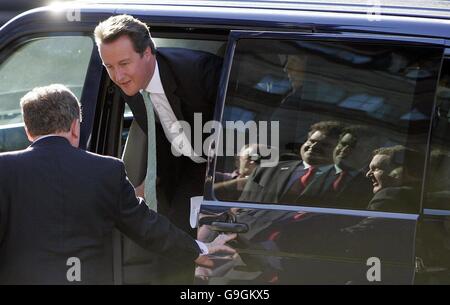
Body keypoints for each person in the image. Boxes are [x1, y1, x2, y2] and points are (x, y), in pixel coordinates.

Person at [0, 84, 235, 284]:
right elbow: (148, 227)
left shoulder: (5, 169)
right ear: (74, 126)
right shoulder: (106, 170)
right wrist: (199, 252)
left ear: (29, 130)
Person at [94, 14, 223, 236]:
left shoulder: (200, 72)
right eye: (109, 66)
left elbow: (243, 130)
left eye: (124, 64)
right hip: (189, 169)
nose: (118, 75)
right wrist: (143, 188)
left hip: (227, 169)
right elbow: (161, 137)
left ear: (147, 53)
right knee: (176, 241)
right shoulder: (133, 84)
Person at [239, 121, 344, 204]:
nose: (313, 147)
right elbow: (242, 207)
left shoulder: (345, 180)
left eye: (325, 145)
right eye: (311, 141)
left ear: (339, 150)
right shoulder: (265, 170)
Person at [365, 145, 422, 213]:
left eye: (376, 168)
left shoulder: (387, 196)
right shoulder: (423, 197)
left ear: (402, 171)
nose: (367, 174)